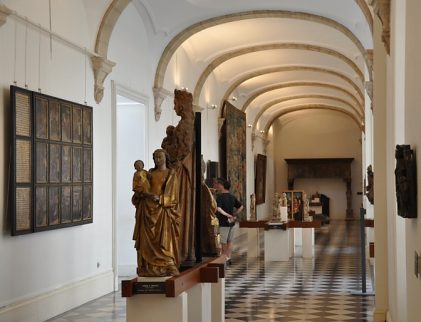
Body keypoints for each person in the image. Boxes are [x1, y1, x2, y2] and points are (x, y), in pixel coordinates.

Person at [132, 149, 181, 277]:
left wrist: (160, 199)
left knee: (163, 241)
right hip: (147, 209)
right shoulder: (149, 173)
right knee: (146, 241)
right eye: (155, 158)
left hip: (162, 211)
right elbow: (141, 188)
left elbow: (174, 196)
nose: (157, 160)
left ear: (166, 157)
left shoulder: (171, 173)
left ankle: (167, 264)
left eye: (160, 157)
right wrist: (140, 193)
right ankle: (148, 266)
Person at [214, 178, 243, 265]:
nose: (217, 186)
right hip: (232, 222)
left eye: (218, 184)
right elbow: (241, 207)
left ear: (222, 186)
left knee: (223, 242)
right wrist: (234, 214)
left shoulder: (220, 197)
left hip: (223, 222)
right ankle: (228, 257)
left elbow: (218, 209)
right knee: (230, 241)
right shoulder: (232, 197)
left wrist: (226, 215)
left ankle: (224, 258)